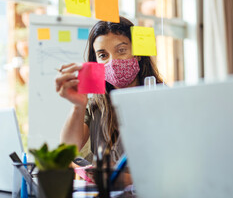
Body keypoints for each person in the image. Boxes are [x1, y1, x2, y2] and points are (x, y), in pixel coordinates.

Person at [55, 17, 162, 165]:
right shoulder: (96, 104)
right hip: (105, 188)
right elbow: (68, 149)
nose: (113, 61)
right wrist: (78, 106)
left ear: (137, 53)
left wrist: (126, 178)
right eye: (103, 55)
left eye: (121, 50)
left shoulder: (162, 97)